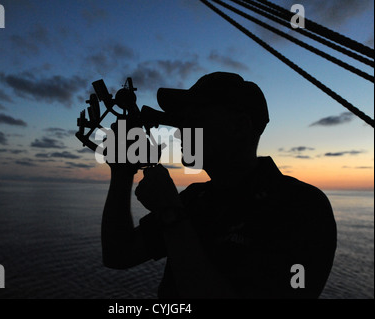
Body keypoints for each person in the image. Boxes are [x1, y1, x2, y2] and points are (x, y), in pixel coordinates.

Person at [101, 72, 337, 299]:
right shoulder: (196, 199)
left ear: (240, 126)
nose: (180, 132)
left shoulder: (302, 207)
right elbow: (118, 254)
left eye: (193, 120)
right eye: (181, 122)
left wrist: (170, 213)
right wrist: (122, 172)